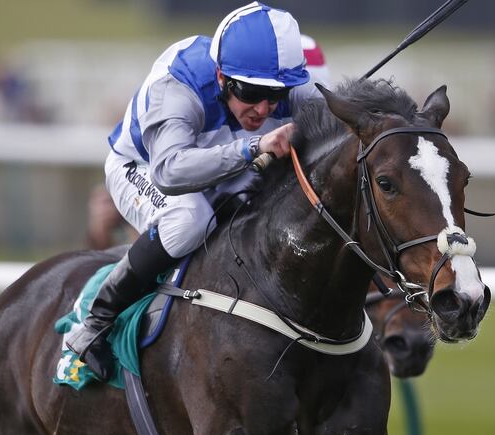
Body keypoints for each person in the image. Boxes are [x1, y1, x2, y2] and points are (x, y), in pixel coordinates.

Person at [66, 2, 317, 381]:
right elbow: (169, 171)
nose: (264, 107)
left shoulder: (272, 87)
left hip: (216, 170)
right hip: (142, 168)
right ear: (221, 77)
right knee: (190, 220)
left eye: (276, 93)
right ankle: (96, 320)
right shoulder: (179, 87)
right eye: (251, 92)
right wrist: (255, 146)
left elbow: (334, 118)